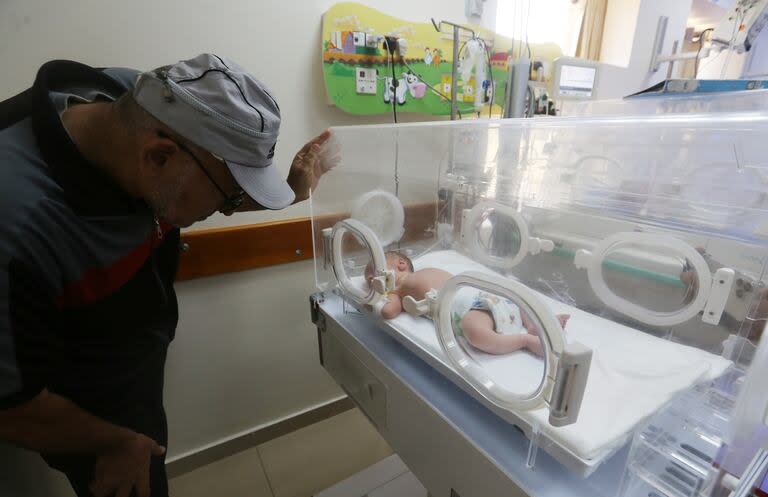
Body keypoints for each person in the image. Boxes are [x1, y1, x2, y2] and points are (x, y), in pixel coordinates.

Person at [0, 54, 337, 497]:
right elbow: (12, 405)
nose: (225, 209)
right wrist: (117, 443)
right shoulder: (18, 225)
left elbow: (197, 184)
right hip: (70, 401)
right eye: (228, 196)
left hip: (127, 350)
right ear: (158, 158)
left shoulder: (135, 102)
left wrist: (290, 192)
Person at [366, 252, 569, 356]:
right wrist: (382, 296)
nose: (370, 281)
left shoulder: (411, 279)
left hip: (477, 295)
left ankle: (539, 323)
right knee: (474, 331)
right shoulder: (397, 291)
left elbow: (388, 311)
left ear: (400, 264)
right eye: (368, 281)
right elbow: (389, 312)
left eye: (373, 274)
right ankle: (525, 340)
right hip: (470, 310)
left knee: (517, 296)